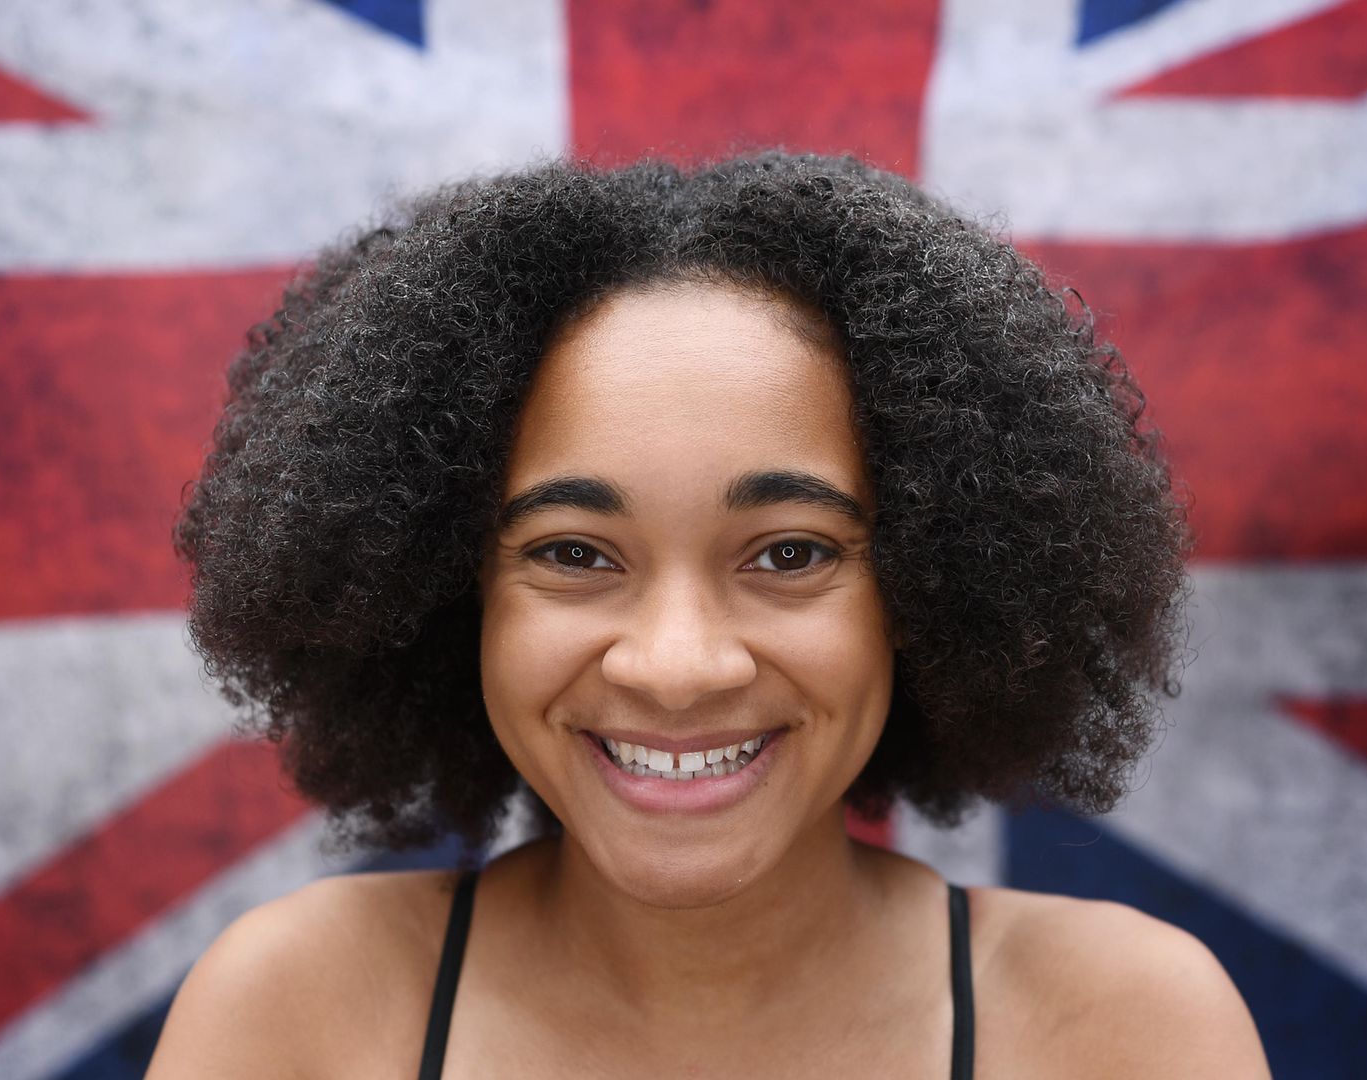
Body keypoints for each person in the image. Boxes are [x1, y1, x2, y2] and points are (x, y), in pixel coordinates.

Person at [147, 150, 1270, 1078]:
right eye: (575, 553)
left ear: (929, 589)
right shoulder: (299, 1015)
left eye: (789, 552)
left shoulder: (1122, 1030)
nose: (677, 666)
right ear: (450, 593)